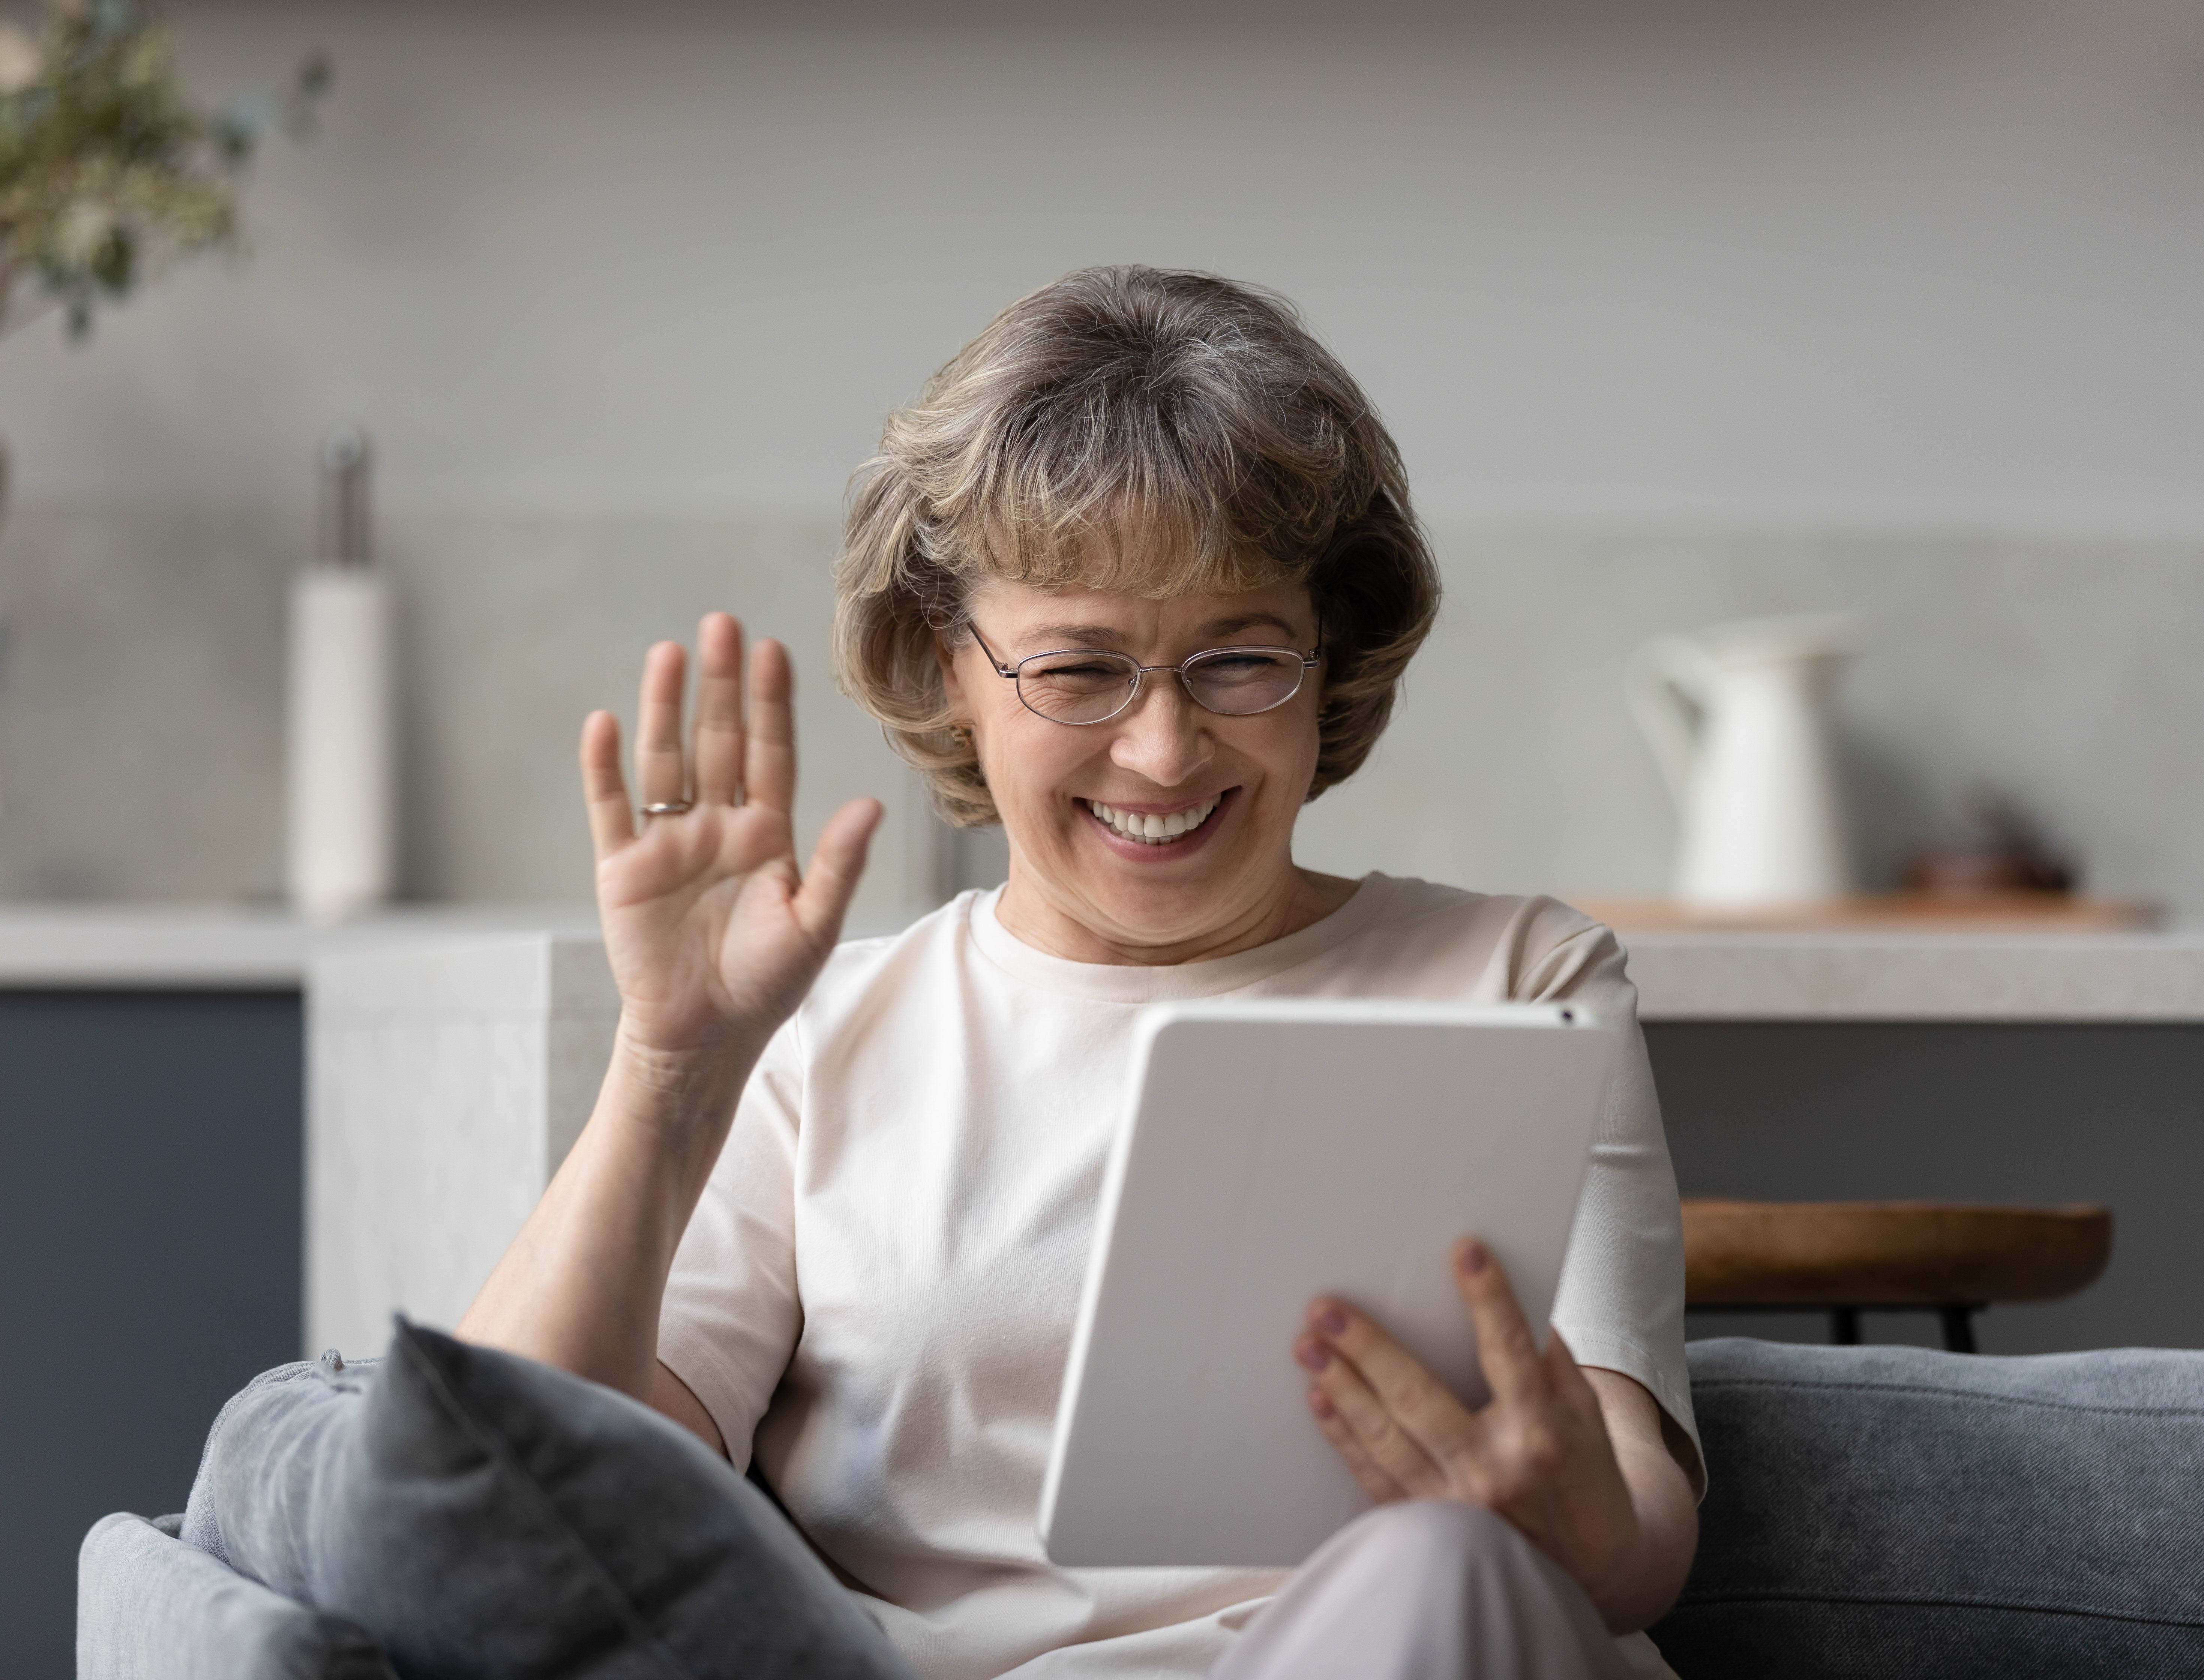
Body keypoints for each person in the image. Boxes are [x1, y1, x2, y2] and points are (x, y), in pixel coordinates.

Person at [459, 266, 1703, 1680]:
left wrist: (1573, 1520)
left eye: (1239, 661)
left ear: (1328, 653)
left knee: (1441, 1562)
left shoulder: (1519, 973)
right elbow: (516, 1503)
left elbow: (1642, 1535)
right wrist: (670, 1064)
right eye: (1081, 670)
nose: (1164, 752)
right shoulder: (825, 1041)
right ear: (951, 671)